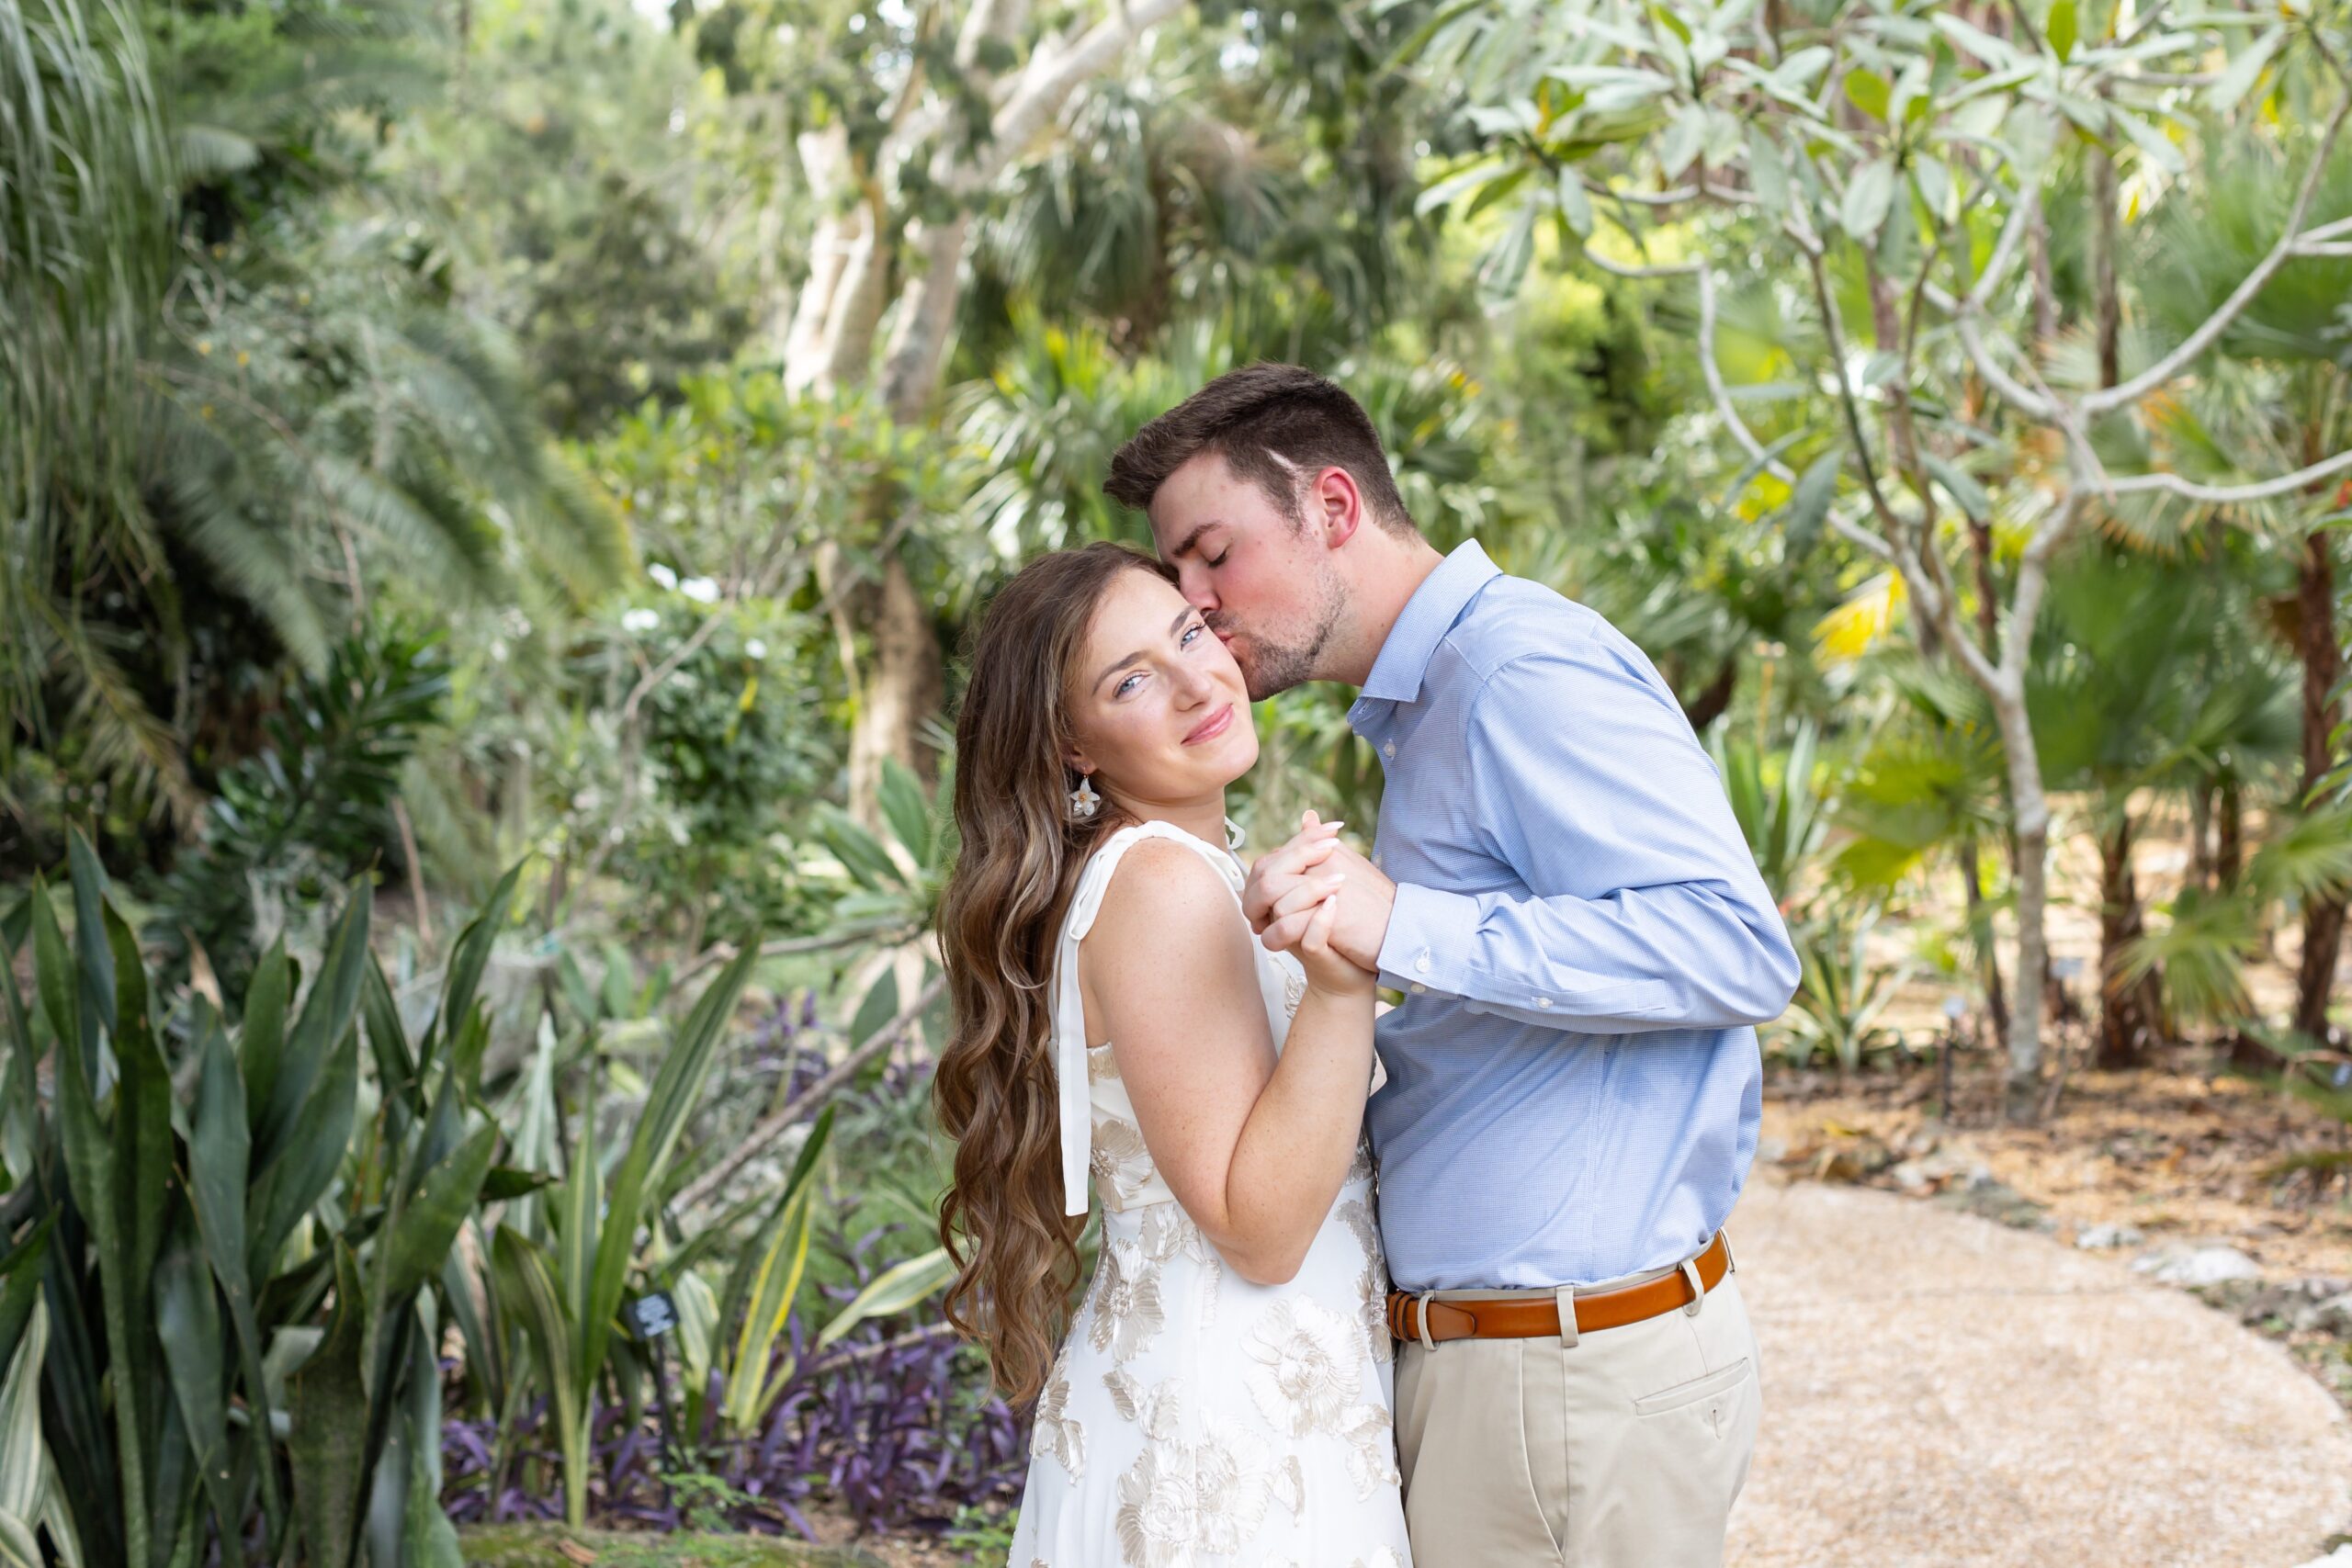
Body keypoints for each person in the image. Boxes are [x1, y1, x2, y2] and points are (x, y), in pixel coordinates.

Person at [1103, 362, 1804, 1567]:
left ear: (1332, 507)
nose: (1201, 602)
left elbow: (1735, 944)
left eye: (1215, 555)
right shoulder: (1429, 706)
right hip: (1516, 1375)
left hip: (1564, 1378)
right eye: (1178, 578)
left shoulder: (1510, 672)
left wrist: (1403, 926)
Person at [933, 542, 1411, 1568]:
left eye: (1188, 633)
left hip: (1264, 1396)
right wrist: (1343, 980)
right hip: (1232, 1435)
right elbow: (1258, 1229)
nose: (1199, 680)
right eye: (1132, 679)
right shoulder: (1159, 884)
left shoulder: (1183, 869)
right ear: (1072, 744)